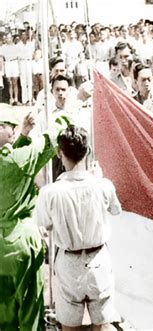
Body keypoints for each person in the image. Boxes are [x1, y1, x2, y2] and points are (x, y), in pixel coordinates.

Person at [34, 125, 122, 331]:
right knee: (102, 324)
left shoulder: (49, 193)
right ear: (88, 151)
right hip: (97, 261)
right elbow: (116, 210)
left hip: (68, 262)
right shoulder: (102, 185)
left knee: (69, 327)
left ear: (59, 153)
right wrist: (98, 177)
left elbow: (44, 225)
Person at [0, 104, 65, 329]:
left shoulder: (13, 156)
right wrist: (66, 115)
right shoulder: (19, 159)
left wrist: (24, 135)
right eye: (10, 128)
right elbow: (49, 142)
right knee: (31, 310)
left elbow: (10, 157)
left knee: (4, 314)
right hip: (21, 242)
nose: (14, 132)